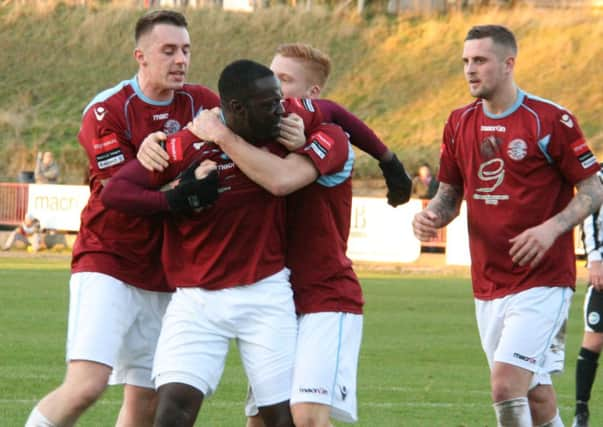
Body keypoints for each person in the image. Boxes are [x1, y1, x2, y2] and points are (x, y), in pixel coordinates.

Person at [101, 59, 348, 427]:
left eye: (280, 100)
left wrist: (389, 162)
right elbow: (116, 192)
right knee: (172, 411)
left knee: (282, 419)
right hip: (197, 301)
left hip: (266, 295)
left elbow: (335, 116)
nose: (280, 110)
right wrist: (175, 199)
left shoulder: (282, 139)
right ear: (236, 108)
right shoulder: (185, 144)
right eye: (269, 104)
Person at [25, 10, 220, 427]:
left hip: (166, 271)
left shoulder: (202, 103)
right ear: (141, 56)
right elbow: (122, 195)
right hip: (108, 259)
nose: (180, 60)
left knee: (145, 402)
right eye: (168, 51)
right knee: (86, 385)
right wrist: (178, 190)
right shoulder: (107, 109)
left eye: (185, 50)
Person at [412, 25, 603, 427]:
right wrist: (432, 217)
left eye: (479, 60)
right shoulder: (459, 122)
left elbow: (592, 187)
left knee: (504, 385)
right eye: (465, 61)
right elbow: (450, 195)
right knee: (534, 394)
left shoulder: (550, 120)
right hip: (488, 280)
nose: (469, 70)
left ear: (508, 63)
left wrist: (551, 228)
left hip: (543, 280)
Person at [270, 42, 411, 207]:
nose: (272, 84)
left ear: (313, 92)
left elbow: (330, 109)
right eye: (270, 76)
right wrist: (389, 161)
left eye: (284, 79)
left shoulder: (333, 137)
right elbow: (333, 110)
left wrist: (390, 163)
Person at [573, 166, 603, 427]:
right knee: (593, 341)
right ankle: (581, 410)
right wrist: (594, 259)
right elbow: (589, 217)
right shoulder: (599, 178)